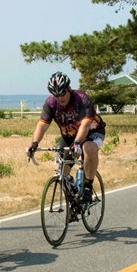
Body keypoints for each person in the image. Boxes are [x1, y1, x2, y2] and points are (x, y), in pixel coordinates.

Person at [26, 72, 106, 203]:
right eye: (56, 95)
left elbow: (85, 125)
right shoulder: (51, 103)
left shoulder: (82, 99)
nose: (60, 98)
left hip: (92, 131)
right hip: (69, 136)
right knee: (61, 173)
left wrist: (77, 143)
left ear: (68, 89)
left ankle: (88, 187)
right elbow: (42, 125)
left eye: (62, 93)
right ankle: (73, 201)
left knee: (88, 148)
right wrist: (34, 143)